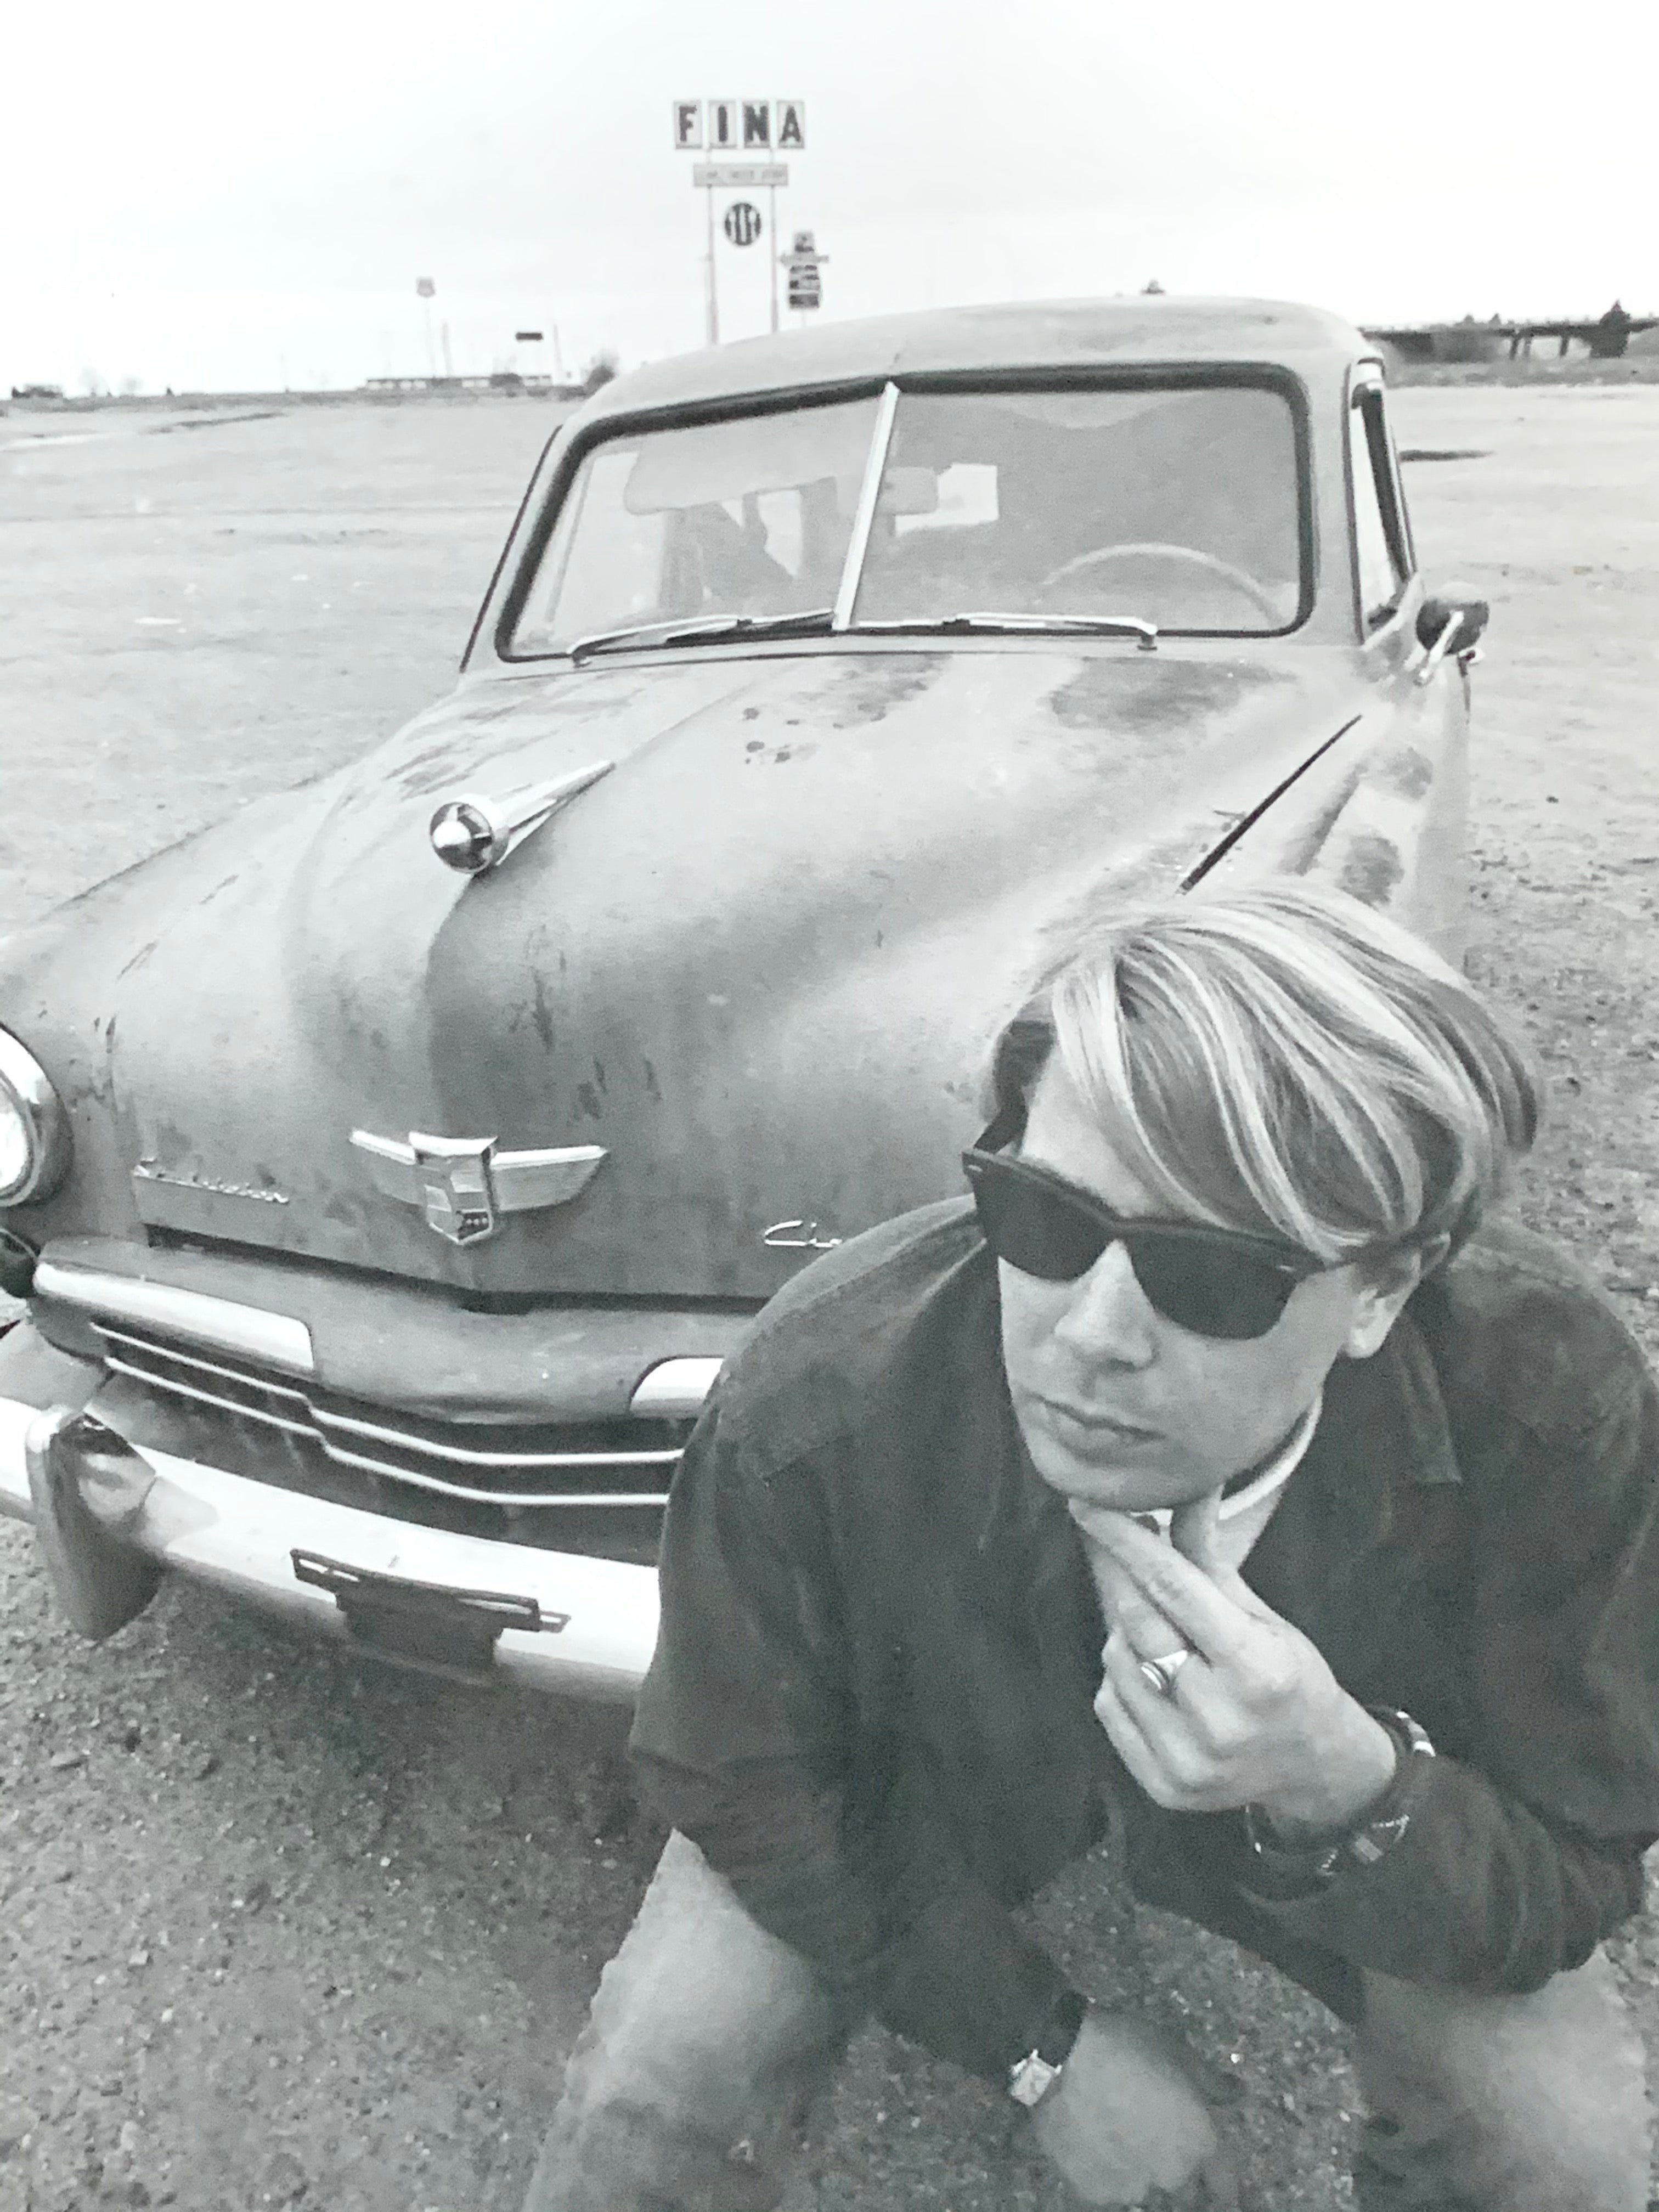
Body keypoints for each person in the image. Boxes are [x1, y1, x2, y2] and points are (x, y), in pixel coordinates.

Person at [524, 882, 1658, 2212]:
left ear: (1385, 1293)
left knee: (1557, 2149)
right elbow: (740, 1778)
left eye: (1216, 1275)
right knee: (658, 2084)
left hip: (1333, 1785)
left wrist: (1351, 1785)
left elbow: (1577, 1861)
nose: (1090, 1335)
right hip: (928, 1781)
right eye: (1046, 1220)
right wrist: (1042, 2049)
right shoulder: (818, 1401)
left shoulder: (1545, 1405)